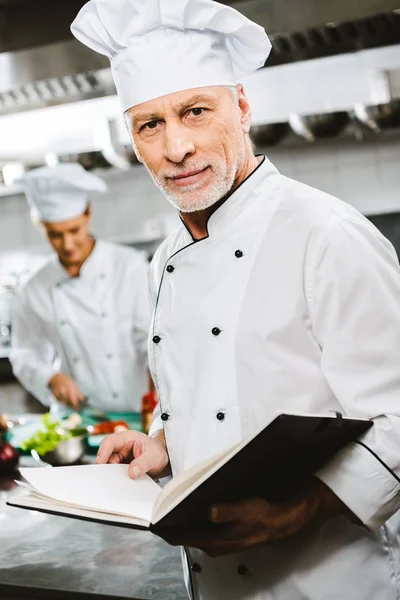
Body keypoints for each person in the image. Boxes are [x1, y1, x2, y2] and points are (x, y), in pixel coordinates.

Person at [71, 0, 400, 598]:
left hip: (328, 580)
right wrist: (162, 444)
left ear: (242, 107)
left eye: (195, 112)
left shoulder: (326, 234)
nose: (176, 148)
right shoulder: (166, 256)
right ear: (133, 140)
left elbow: (398, 417)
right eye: (149, 125)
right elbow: (213, 385)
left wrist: (295, 511)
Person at [10, 163, 150, 412]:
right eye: (55, 234)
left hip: (136, 409)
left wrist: (160, 391)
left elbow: (153, 339)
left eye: (74, 230)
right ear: (40, 225)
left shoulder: (128, 267)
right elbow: (24, 352)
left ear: (88, 213)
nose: (67, 244)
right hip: (77, 417)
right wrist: (50, 378)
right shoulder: (33, 288)